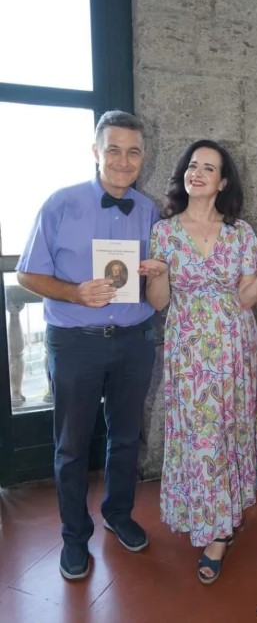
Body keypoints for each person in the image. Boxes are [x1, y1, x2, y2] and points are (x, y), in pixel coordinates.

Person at [16, 110, 164, 581]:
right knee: (72, 445)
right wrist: (74, 291)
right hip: (76, 341)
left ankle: (118, 514)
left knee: (125, 438)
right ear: (96, 151)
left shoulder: (150, 211)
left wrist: (157, 273)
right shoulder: (60, 203)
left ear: (143, 156)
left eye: (133, 151)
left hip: (135, 340)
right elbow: (26, 272)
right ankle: (73, 537)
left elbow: (158, 279)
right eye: (114, 149)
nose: (124, 160)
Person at [141, 139, 257, 585]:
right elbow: (160, 303)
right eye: (192, 165)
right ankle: (212, 520)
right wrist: (161, 275)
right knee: (200, 434)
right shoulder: (164, 232)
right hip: (188, 350)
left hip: (234, 348)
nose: (197, 173)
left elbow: (245, 299)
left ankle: (220, 528)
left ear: (223, 181)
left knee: (228, 430)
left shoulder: (240, 233)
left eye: (209, 167)